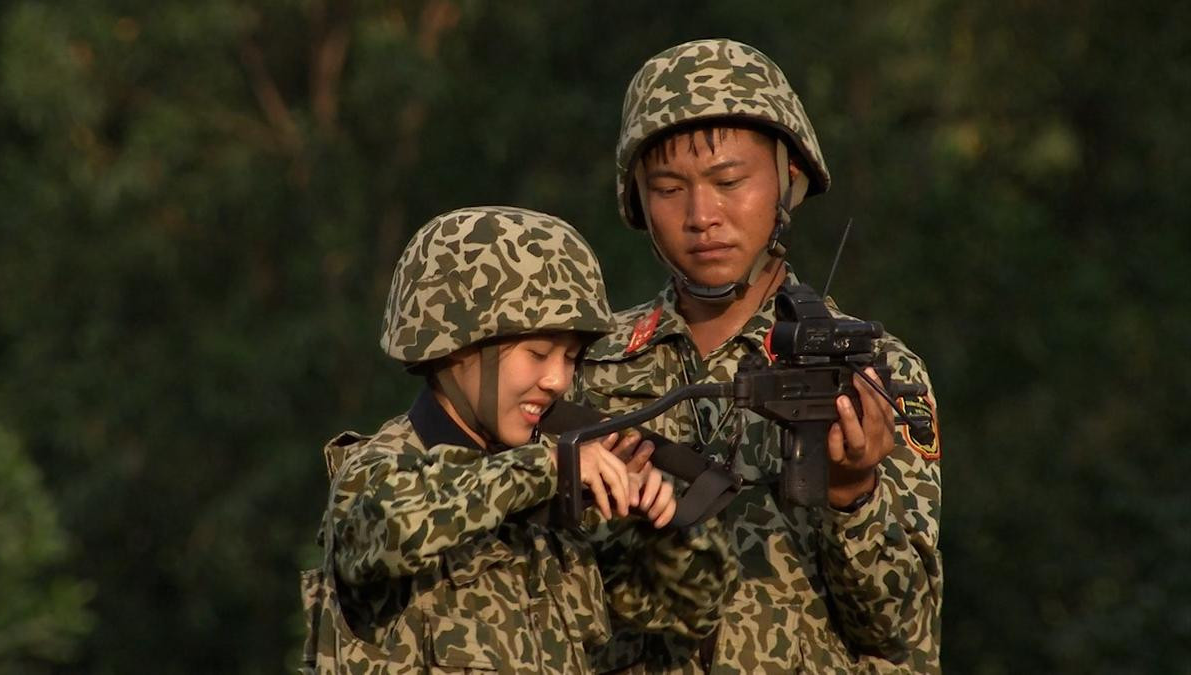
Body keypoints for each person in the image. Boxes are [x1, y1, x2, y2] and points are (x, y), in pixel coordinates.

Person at [577, 40, 943, 673]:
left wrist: (854, 493)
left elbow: (902, 630)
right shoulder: (583, 365)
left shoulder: (870, 369)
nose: (701, 216)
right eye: (668, 188)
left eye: (729, 181)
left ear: (789, 180)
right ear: (637, 201)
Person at [299, 206, 737, 674]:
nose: (557, 380)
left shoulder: (560, 513)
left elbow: (690, 616)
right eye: (538, 353)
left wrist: (657, 527)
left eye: (570, 358)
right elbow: (394, 528)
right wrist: (551, 468)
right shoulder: (375, 473)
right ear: (455, 346)